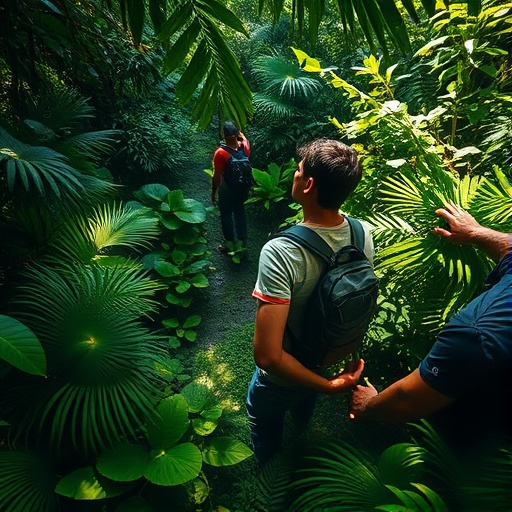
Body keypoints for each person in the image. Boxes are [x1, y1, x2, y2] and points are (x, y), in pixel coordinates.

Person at [246, 138, 374, 465]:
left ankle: (268, 463)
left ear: (310, 184)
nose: (295, 174)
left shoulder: (281, 252)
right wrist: (323, 381)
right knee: (306, 394)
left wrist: (330, 387)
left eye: (299, 170)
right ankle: (302, 420)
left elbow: (268, 356)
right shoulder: (362, 235)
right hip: (323, 356)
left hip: (284, 375)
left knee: (263, 416)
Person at [351, 202, 512, 457]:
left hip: (477, 455)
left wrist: (368, 405)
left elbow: (408, 400)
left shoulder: (478, 332)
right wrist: (476, 232)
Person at [211, 121, 251, 252]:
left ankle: (228, 244)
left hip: (227, 188)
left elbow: (217, 176)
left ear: (224, 136)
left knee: (226, 214)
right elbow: (244, 139)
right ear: (236, 134)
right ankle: (243, 242)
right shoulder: (244, 147)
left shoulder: (220, 153)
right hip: (243, 188)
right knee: (240, 211)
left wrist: (213, 192)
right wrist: (240, 134)